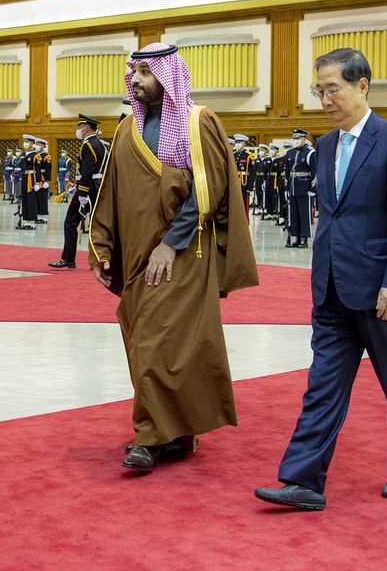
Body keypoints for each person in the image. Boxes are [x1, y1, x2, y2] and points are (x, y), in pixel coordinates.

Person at [256, 47, 387, 511]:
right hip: (332, 285)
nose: (325, 99)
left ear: (363, 85)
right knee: (323, 383)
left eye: (333, 89)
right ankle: (303, 480)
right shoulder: (326, 144)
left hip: (381, 290)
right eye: (319, 91)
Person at [89, 43, 257, 472]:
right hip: (138, 258)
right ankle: (178, 431)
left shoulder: (198, 122)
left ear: (168, 75)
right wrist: (103, 246)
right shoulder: (127, 129)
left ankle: (148, 436)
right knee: (151, 341)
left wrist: (171, 243)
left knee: (159, 344)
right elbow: (111, 192)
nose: (138, 80)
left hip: (182, 255)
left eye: (146, 72)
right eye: (135, 72)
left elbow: (209, 189)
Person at [50, 115, 107, 268]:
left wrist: (82, 193)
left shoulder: (88, 145)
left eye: (80, 126)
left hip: (88, 188)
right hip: (97, 185)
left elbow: (87, 170)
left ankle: (68, 259)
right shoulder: (100, 144)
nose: (78, 130)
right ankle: (100, 259)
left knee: (70, 222)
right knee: (97, 224)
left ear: (86, 127)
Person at [285, 128, 315, 248]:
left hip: (304, 188)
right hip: (293, 188)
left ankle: (304, 238)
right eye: (294, 138)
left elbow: (315, 172)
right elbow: (287, 172)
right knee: (294, 214)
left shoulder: (309, 153)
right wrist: (287, 189)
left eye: (298, 138)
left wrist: (313, 189)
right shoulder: (290, 153)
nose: (296, 141)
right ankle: (296, 237)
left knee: (304, 214)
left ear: (304, 139)